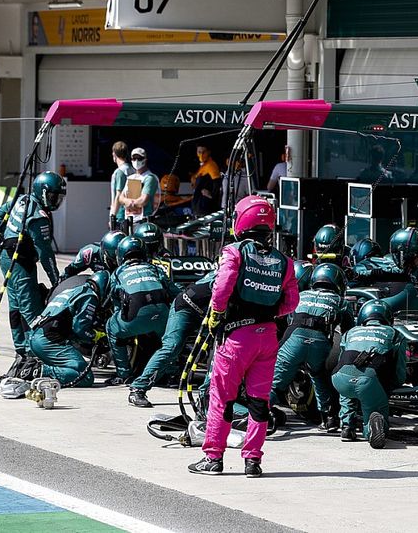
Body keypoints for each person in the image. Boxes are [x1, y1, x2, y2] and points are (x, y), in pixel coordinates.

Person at [188, 195, 299, 477]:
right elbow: (292, 302)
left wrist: (216, 314)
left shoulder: (234, 252)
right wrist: (268, 312)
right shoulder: (284, 261)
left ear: (241, 221)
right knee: (259, 401)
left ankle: (213, 458)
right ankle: (253, 461)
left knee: (222, 398)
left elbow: (222, 287)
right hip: (268, 337)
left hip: (237, 338)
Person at [270, 263, 354, 431]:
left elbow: (286, 319)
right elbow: (348, 332)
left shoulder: (300, 295)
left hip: (294, 337)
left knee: (276, 382)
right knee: (319, 377)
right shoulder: (341, 301)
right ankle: (328, 418)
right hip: (320, 341)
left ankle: (259, 415)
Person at [0, 171, 66, 357]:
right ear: (43, 193)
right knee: (31, 308)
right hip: (21, 263)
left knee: (15, 305)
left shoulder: (22, 200)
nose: (56, 201)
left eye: (59, 197)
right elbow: (45, 253)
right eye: (53, 196)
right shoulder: (38, 217)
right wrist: (56, 281)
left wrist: (1, 236)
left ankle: (21, 347)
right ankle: (35, 351)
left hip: (6, 258)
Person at [128, 268, 215, 407]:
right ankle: (138, 388)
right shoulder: (230, 272)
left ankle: (206, 396)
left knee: (222, 350)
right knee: (172, 346)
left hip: (206, 313)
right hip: (186, 307)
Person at [104, 236, 177, 393]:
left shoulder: (117, 273)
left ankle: (123, 374)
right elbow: (174, 291)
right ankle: (172, 374)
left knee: (111, 327)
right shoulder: (155, 269)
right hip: (162, 314)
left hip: (135, 317)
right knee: (168, 341)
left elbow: (116, 304)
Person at [331, 299, 407, 448]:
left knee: (348, 390)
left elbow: (341, 359)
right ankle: (371, 429)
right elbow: (400, 367)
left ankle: (347, 427)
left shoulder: (350, 332)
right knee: (373, 406)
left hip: (339, 379)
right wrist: (392, 386)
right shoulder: (395, 334)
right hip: (368, 381)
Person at [27, 270, 109, 387]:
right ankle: (37, 370)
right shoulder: (90, 296)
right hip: (49, 340)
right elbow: (80, 328)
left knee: (68, 369)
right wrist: (96, 336)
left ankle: (29, 368)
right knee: (86, 377)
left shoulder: (74, 290)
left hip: (36, 336)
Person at [118, 147, 160, 225]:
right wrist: (130, 202)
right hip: (129, 221)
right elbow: (121, 198)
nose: (136, 161)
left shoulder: (150, 178)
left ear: (145, 159)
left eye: (139, 158)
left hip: (144, 222)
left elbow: (143, 201)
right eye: (134, 158)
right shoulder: (130, 178)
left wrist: (129, 203)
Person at [191, 145, 221, 217]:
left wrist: (212, 195)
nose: (201, 154)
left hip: (205, 208)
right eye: (199, 152)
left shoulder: (211, 166)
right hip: (198, 207)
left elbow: (217, 182)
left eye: (204, 152)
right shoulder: (202, 167)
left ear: (208, 152)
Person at [108, 141, 132, 230]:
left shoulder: (120, 172)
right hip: (131, 214)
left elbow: (118, 195)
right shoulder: (132, 169)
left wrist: (113, 216)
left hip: (120, 215)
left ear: (114, 154)